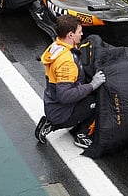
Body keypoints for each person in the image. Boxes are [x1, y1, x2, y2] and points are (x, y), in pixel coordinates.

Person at [34, 14, 107, 148]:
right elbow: (65, 96)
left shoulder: (57, 46)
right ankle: (82, 135)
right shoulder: (66, 62)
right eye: (79, 32)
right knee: (100, 101)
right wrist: (92, 85)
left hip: (53, 105)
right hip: (62, 110)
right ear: (70, 35)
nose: (82, 34)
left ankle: (51, 122)